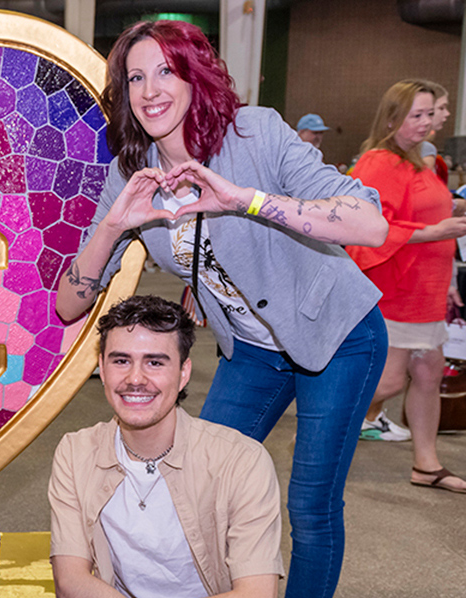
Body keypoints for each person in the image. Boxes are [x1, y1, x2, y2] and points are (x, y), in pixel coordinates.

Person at [54, 20, 388, 598]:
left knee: (310, 504)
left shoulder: (254, 134)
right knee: (198, 480)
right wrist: (114, 224)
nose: (151, 89)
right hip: (249, 352)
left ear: (193, 75)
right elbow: (68, 305)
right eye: (135, 76)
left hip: (338, 334)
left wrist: (246, 200)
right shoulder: (129, 174)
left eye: (166, 70)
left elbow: (370, 221)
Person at [49, 295, 283, 598]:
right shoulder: (75, 452)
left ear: (183, 373)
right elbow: (70, 581)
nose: (135, 379)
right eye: (121, 361)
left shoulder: (242, 460)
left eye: (155, 362)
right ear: (102, 370)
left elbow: (257, 592)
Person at [348, 80, 466, 493]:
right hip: (395, 290)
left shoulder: (420, 162)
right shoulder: (380, 161)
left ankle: (426, 464)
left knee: (428, 374)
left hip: (426, 293)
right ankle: (319, 438)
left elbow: (432, 209)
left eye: (429, 114)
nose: (425, 122)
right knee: (388, 382)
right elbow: (370, 227)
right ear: (393, 117)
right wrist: (436, 230)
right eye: (415, 115)